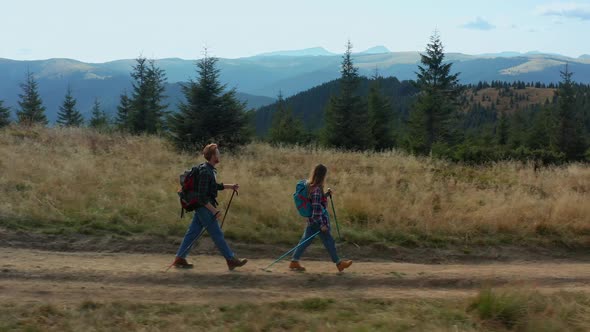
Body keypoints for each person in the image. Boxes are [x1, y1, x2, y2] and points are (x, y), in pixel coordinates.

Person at [172, 143, 248, 271]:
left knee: (192, 233)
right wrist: (214, 210)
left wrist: (230, 186)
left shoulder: (209, 170)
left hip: (203, 207)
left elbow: (213, 186)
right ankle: (231, 259)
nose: (219, 154)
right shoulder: (205, 171)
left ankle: (180, 258)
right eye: (218, 153)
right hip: (204, 207)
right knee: (217, 234)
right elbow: (202, 197)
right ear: (213, 156)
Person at [289, 164, 352, 272]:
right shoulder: (317, 190)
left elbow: (315, 201)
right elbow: (317, 209)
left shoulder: (311, 186)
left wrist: (326, 195)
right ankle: (339, 263)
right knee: (329, 241)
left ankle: (294, 261)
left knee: (305, 241)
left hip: (311, 220)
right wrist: (322, 224)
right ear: (322, 175)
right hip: (318, 222)